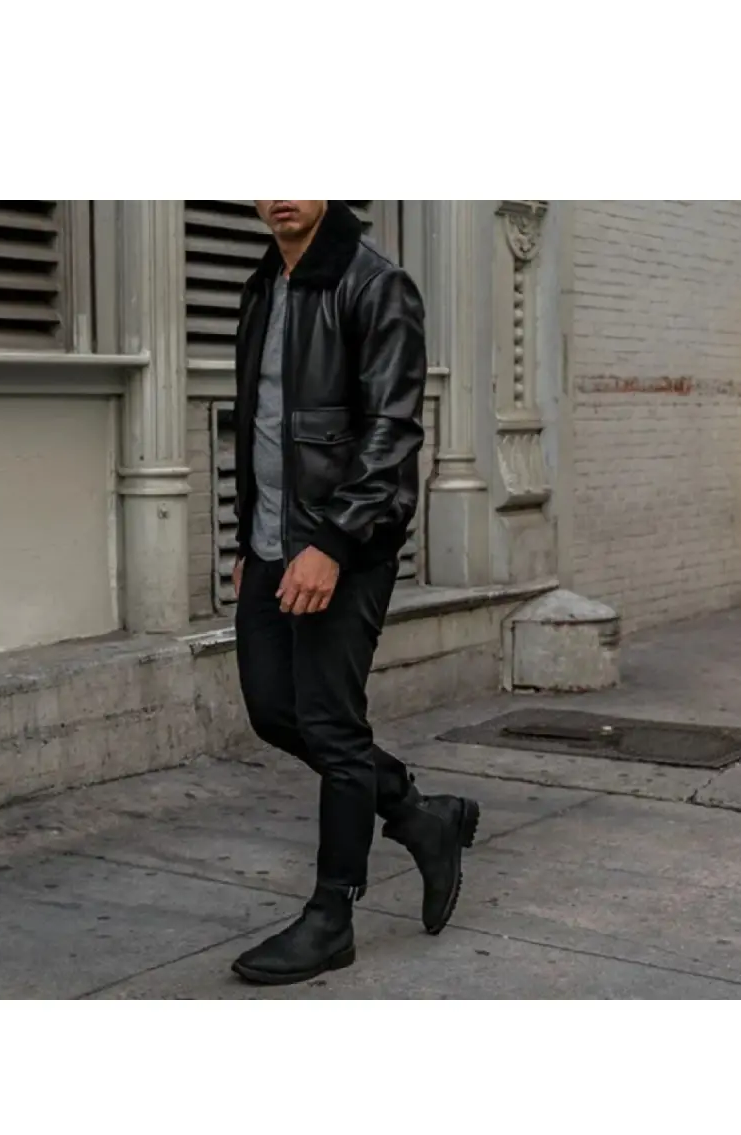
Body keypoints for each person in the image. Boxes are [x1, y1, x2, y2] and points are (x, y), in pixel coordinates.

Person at [230, 201, 479, 986]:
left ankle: (332, 914)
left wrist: (332, 544)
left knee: (333, 728)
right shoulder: (263, 285)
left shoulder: (376, 285)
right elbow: (261, 426)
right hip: (272, 546)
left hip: (344, 546)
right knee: (274, 711)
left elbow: (391, 432)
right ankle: (417, 813)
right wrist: (250, 540)